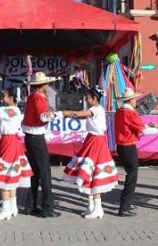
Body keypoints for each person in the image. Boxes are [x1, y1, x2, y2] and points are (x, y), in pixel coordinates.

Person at [61, 88, 119, 219]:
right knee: (89, 172)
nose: (86, 99)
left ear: (94, 98)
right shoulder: (96, 110)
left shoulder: (96, 109)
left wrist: (66, 113)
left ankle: (98, 208)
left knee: (93, 172)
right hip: (92, 140)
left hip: (96, 143)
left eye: (88, 97)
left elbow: (81, 114)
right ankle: (92, 205)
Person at [0, 88, 33, 221]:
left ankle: (6, 210)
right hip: (13, 142)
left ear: (11, 97)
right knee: (11, 175)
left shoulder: (4, 110)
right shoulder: (17, 110)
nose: (2, 98)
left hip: (8, 143)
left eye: (4, 96)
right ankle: (13, 207)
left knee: (3, 177)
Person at [114, 87, 158, 217]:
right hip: (128, 146)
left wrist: (150, 127)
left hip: (121, 146)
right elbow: (144, 131)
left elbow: (139, 127)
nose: (136, 101)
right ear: (131, 101)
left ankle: (127, 203)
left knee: (131, 174)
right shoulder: (130, 114)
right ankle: (124, 207)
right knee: (132, 176)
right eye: (135, 99)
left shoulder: (119, 112)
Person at [22, 72, 61, 218]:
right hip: (37, 137)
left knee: (36, 172)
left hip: (30, 136)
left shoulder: (32, 97)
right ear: (42, 85)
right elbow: (43, 117)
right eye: (46, 84)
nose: (48, 86)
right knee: (45, 172)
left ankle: (30, 206)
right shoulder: (38, 98)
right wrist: (56, 114)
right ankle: (47, 208)